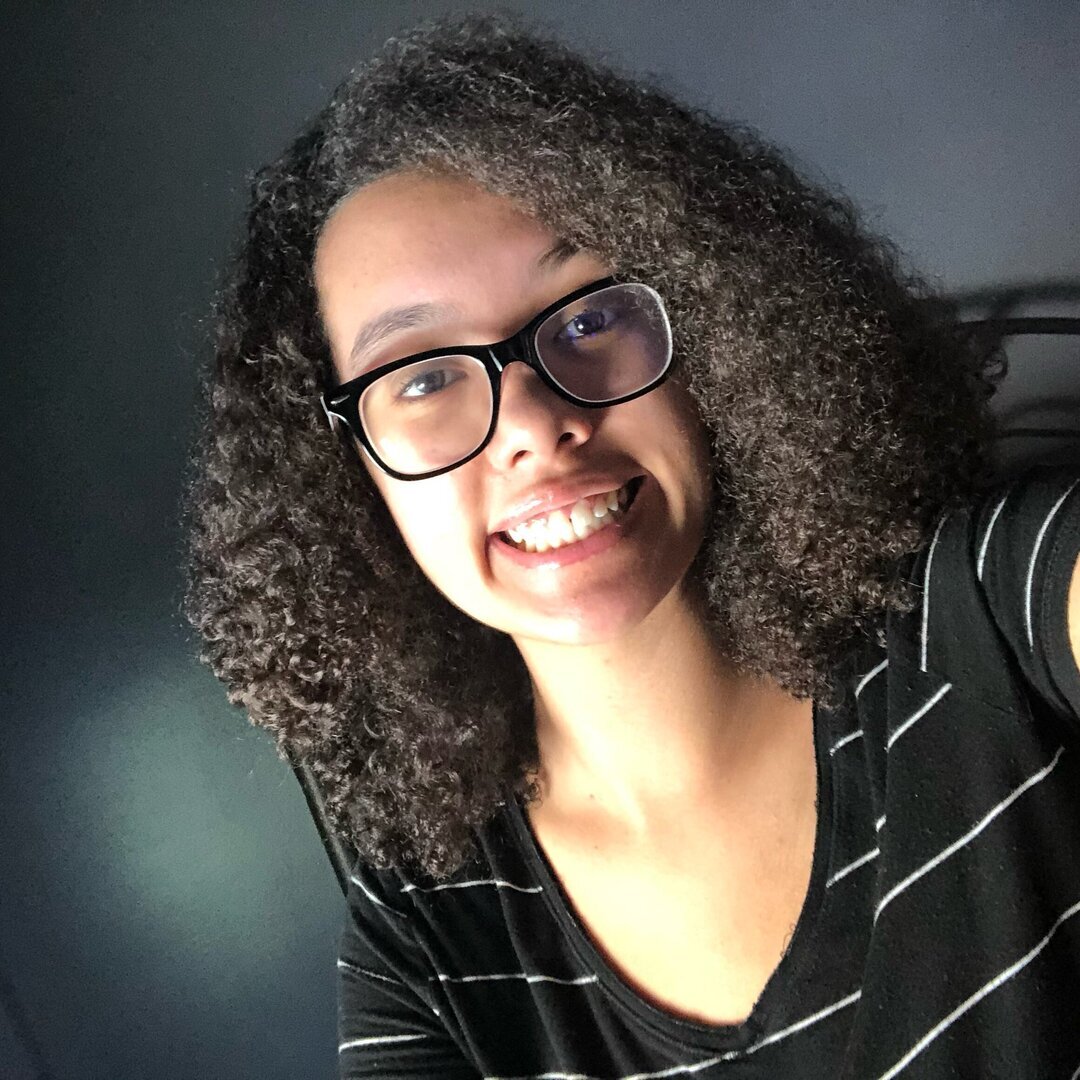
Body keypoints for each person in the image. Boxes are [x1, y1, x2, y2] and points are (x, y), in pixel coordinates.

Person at [183, 11, 1080, 1079]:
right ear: (348, 482)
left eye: (586, 320)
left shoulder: (984, 610)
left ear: (712, 327)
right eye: (421, 378)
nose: (532, 424)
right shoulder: (428, 942)